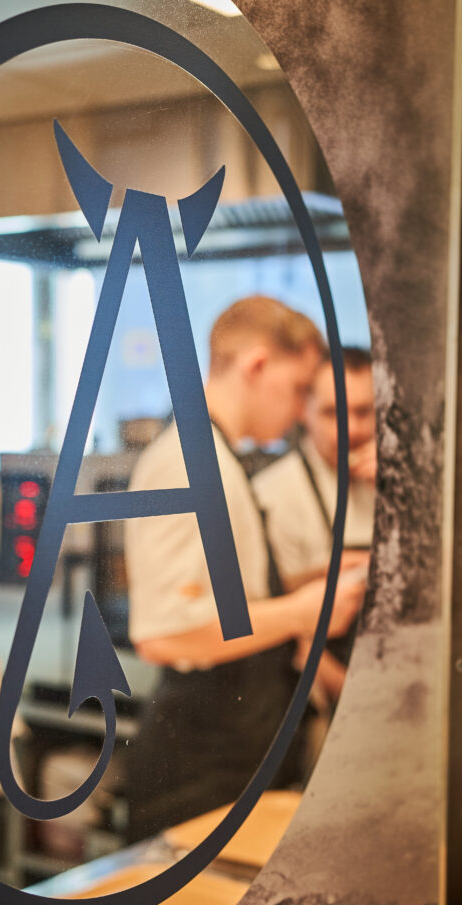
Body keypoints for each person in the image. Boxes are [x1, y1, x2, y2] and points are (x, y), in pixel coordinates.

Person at [124, 296, 365, 840]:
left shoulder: (219, 456)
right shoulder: (189, 459)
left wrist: (314, 579)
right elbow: (167, 632)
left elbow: (228, 598)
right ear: (257, 366)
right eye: (300, 388)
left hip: (235, 756)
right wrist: (307, 610)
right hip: (200, 767)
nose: (301, 407)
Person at [253, 346, 376, 707]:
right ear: (302, 410)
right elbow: (284, 629)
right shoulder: (275, 495)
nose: (350, 428)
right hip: (322, 700)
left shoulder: (401, 483)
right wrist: (358, 699)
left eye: (364, 412)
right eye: (331, 412)